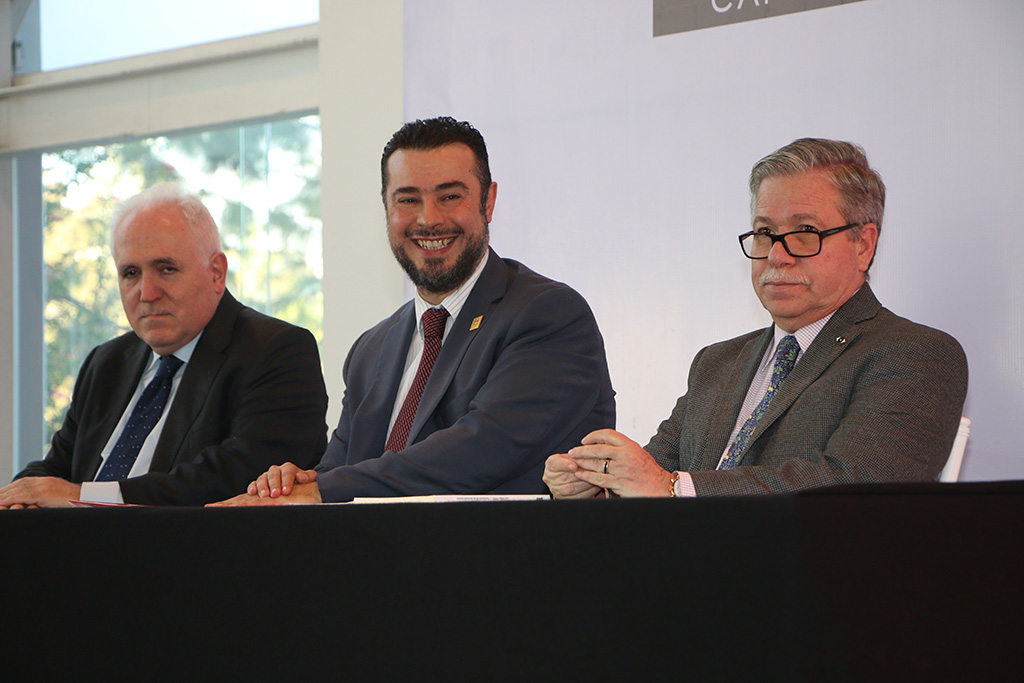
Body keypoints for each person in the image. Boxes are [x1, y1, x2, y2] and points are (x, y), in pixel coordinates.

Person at [211, 116, 614, 506]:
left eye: (449, 196)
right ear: (386, 207)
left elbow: (482, 450)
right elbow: (339, 473)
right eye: (408, 200)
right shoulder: (371, 349)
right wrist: (293, 484)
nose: (429, 219)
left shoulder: (549, 315)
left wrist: (320, 490)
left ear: (488, 201)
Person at [544, 138, 968, 498]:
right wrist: (599, 487)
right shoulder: (717, 362)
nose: (778, 255)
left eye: (805, 232)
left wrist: (674, 487)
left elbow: (854, 486)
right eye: (765, 233)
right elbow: (656, 475)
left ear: (863, 244)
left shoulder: (915, 355)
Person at [0, 184, 328, 508]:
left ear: (216, 273)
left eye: (166, 269)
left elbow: (235, 479)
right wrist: (19, 498)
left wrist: (81, 496)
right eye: (130, 273)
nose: (147, 292)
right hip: (74, 541)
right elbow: (56, 469)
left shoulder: (275, 350)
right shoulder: (107, 362)